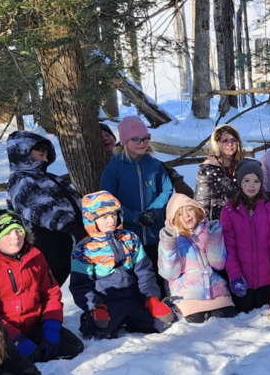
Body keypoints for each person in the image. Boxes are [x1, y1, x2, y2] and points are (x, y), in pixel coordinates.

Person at [0, 206, 84, 363]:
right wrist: (16, 339)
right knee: (16, 361)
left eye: (18, 231)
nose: (15, 237)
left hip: (34, 324)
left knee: (73, 347)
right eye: (7, 233)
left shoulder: (35, 256)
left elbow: (50, 293)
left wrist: (51, 326)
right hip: (4, 332)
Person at [70, 191, 175, 339]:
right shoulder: (84, 249)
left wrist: (151, 297)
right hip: (107, 301)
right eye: (104, 217)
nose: (111, 220)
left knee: (163, 323)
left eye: (114, 214)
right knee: (99, 333)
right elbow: (80, 285)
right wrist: (95, 305)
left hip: (134, 297)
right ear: (91, 219)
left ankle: (132, 318)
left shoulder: (130, 238)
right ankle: (91, 317)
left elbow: (144, 271)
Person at [100, 116, 174, 287]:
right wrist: (134, 217)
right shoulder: (114, 167)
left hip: (155, 231)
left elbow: (166, 190)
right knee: (135, 274)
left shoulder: (155, 165)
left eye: (146, 138)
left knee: (157, 271)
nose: (142, 143)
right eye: (136, 139)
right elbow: (108, 199)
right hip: (128, 234)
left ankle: (161, 302)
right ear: (125, 140)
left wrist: (154, 212)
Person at [5, 130, 85, 287]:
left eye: (46, 156)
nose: (45, 159)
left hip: (67, 237)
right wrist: (70, 226)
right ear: (23, 154)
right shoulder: (20, 179)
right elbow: (40, 207)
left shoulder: (51, 178)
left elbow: (75, 199)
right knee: (45, 283)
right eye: (41, 155)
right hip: (45, 239)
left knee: (59, 282)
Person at [221, 160, 270, 312]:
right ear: (240, 183)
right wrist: (234, 275)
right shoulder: (229, 210)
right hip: (242, 281)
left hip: (267, 281)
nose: (252, 185)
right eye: (247, 181)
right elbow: (228, 247)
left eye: (256, 181)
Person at [158, 194, 237, 323]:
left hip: (217, 294)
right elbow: (169, 274)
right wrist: (169, 246)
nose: (187, 216)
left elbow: (218, 264)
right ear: (173, 219)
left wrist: (215, 238)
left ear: (197, 209)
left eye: (189, 209)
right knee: (197, 323)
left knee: (227, 319)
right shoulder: (171, 239)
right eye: (180, 214)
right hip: (186, 298)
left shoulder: (207, 231)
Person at [102, 123, 194, 198]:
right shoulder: (112, 166)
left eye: (107, 135)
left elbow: (157, 168)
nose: (105, 138)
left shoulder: (133, 149)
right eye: (100, 137)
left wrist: (178, 182)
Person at [196, 125, 245, 220]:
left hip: (240, 220)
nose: (230, 144)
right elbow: (202, 200)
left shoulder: (243, 166)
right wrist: (204, 224)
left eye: (233, 140)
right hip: (216, 222)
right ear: (217, 143)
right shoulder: (208, 169)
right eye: (225, 141)